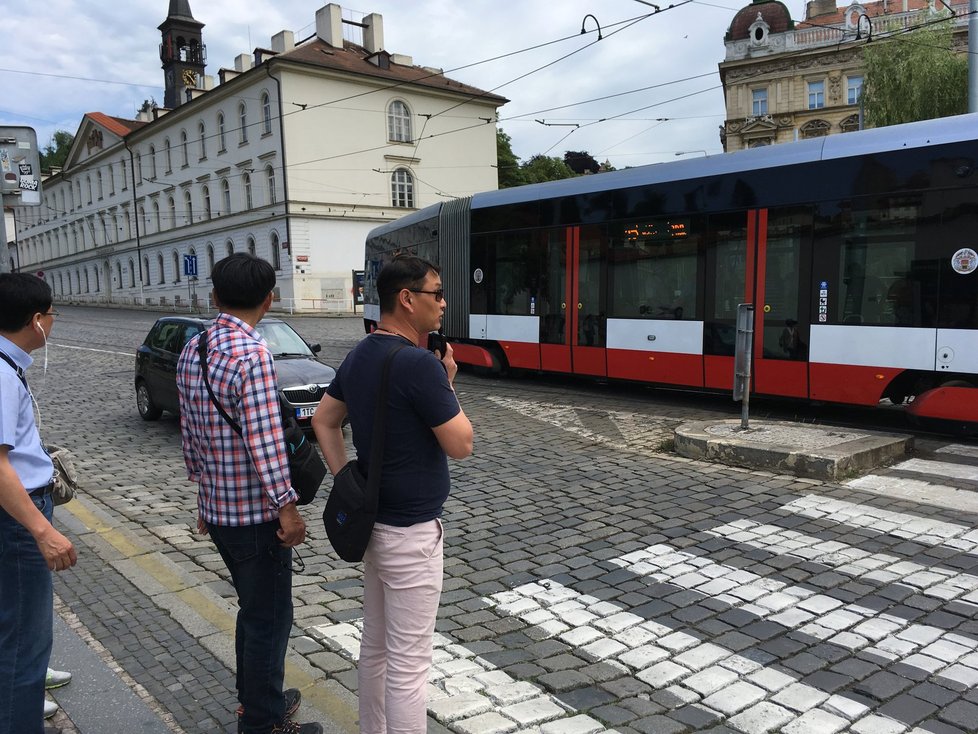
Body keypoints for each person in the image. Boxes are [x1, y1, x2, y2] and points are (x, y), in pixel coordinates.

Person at [312, 255, 473, 734]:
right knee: (409, 666)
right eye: (437, 293)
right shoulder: (420, 364)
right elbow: (461, 443)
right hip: (412, 534)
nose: (443, 304)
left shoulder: (362, 353)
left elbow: (324, 420)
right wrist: (447, 383)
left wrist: (347, 482)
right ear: (407, 299)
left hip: (374, 526)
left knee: (377, 650)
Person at [175, 254, 321, 734]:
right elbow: (265, 440)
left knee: (253, 610)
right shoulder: (253, 355)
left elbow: (192, 435)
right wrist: (289, 510)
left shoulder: (192, 349)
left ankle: (259, 697)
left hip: (219, 512)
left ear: (213, 297)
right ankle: (263, 721)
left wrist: (203, 499)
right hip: (257, 517)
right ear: (269, 298)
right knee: (270, 619)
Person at [0, 273, 78, 734]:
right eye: (51, 315)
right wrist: (42, 530)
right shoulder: (2, 376)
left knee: (18, 634)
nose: (53, 322)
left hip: (18, 516)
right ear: (35, 320)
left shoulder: (10, 366)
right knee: (24, 644)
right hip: (18, 520)